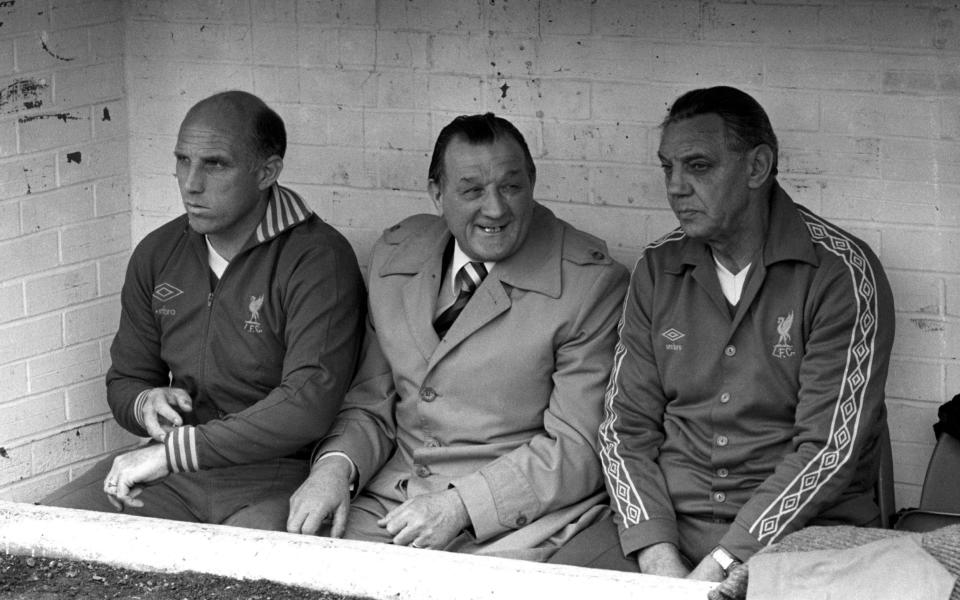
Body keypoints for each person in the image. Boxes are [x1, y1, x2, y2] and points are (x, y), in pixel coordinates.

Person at [550, 86, 895, 580]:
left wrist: (726, 560)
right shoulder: (657, 268)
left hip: (801, 533)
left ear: (757, 167)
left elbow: (828, 448)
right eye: (667, 167)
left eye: (698, 166)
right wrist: (655, 551)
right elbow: (624, 430)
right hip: (667, 525)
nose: (675, 186)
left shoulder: (840, 272)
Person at [286, 113, 629, 561]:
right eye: (471, 190)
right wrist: (335, 468)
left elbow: (577, 447)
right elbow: (371, 402)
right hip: (396, 499)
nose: (495, 209)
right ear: (437, 194)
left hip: (518, 519)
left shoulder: (589, 283)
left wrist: (460, 506)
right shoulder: (396, 255)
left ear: (532, 182)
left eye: (511, 186)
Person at [42, 91, 366, 531]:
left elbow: (306, 406)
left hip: (279, 474)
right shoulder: (159, 252)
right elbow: (126, 379)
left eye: (215, 164)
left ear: (267, 171)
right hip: (174, 470)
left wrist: (175, 452)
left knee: (232, 574)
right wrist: (145, 404)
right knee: (36, 531)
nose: (191, 183)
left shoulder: (318, 258)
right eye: (182, 160)